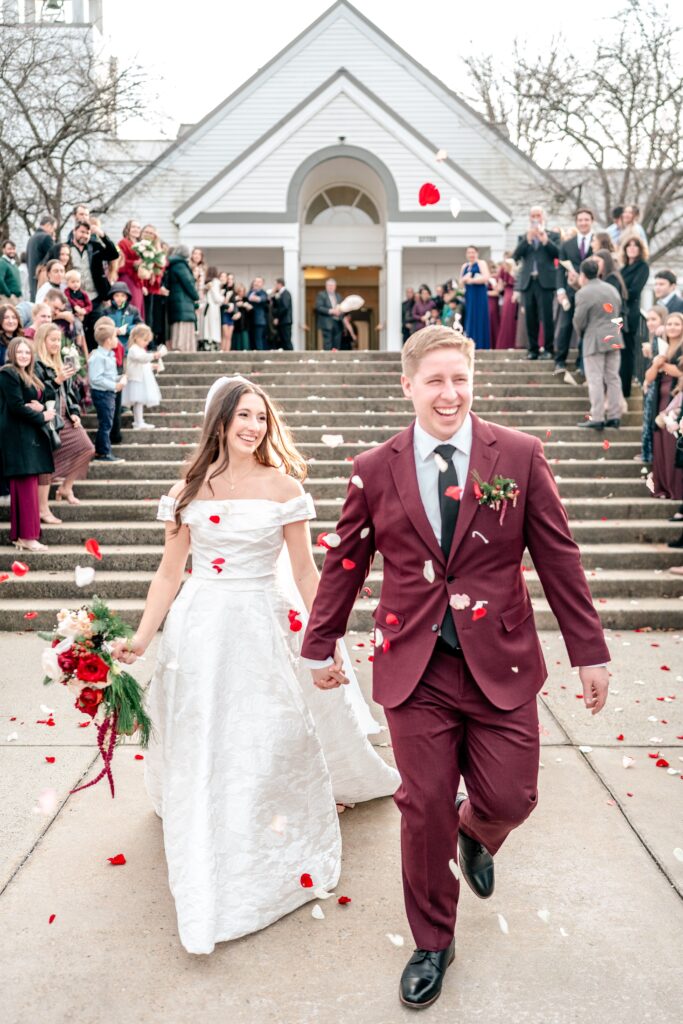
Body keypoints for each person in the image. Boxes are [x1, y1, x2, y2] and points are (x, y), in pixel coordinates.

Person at [301, 324, 610, 1010]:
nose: (449, 393)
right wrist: (319, 643)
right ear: (407, 385)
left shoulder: (519, 457)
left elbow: (557, 557)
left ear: (474, 381)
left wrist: (586, 650)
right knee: (422, 809)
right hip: (415, 667)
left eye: (460, 379)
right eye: (435, 380)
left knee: (511, 797)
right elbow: (345, 562)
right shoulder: (374, 467)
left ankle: (476, 833)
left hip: (500, 659)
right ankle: (432, 941)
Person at [110, 375, 399, 955]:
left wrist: (325, 641)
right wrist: (141, 639)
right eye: (243, 416)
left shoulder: (284, 487)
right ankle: (209, 811)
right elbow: (170, 573)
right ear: (219, 421)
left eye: (261, 418)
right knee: (205, 726)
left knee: (269, 727)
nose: (252, 427)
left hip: (262, 621)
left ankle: (263, 823)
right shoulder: (188, 490)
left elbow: (303, 572)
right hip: (199, 625)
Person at [0, 338, 56, 551]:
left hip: (28, 435)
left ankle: (23, 536)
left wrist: (40, 406)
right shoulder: (8, 373)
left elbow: (47, 393)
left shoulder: (30, 374)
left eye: (27, 352)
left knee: (28, 484)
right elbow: (15, 406)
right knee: (24, 486)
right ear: (12, 353)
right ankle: (27, 536)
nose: (24, 355)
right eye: (20, 352)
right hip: (16, 436)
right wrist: (42, 415)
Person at [33, 323, 94, 514]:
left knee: (87, 448)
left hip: (64, 417)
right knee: (47, 462)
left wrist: (74, 412)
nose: (57, 344)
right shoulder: (36, 364)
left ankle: (66, 487)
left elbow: (70, 394)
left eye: (58, 340)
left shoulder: (60, 362)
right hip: (46, 418)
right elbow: (37, 393)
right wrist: (56, 380)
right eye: (53, 340)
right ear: (43, 341)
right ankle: (42, 508)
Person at [573, 258, 623, 430]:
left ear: (583, 275)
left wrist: (583, 334)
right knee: (613, 378)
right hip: (614, 337)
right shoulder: (611, 289)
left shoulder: (584, 292)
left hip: (594, 339)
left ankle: (598, 416)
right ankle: (615, 415)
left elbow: (578, 320)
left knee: (595, 378)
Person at [512, 206, 560, 360]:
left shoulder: (553, 235)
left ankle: (548, 348)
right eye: (533, 215)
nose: (535, 218)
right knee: (530, 318)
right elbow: (516, 255)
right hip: (528, 282)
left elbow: (558, 254)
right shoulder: (523, 237)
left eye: (538, 215)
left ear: (543, 217)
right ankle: (532, 349)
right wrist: (527, 239)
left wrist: (545, 241)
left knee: (546, 318)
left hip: (545, 282)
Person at [645, 311, 683, 500]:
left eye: (677, 324)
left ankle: (676, 488)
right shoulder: (662, 348)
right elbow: (649, 377)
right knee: (660, 445)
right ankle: (664, 487)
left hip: (676, 401)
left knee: (673, 445)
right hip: (659, 400)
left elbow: (679, 371)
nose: (672, 328)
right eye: (669, 324)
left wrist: (664, 366)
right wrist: (656, 364)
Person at [555, 208, 596, 373]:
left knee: (587, 328)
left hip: (592, 292)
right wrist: (560, 290)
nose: (583, 223)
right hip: (570, 291)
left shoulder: (598, 241)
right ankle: (559, 361)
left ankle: (582, 364)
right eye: (580, 220)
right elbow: (559, 270)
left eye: (586, 220)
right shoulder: (567, 244)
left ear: (591, 221)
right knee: (565, 326)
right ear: (576, 222)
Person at [68, 220, 119, 350]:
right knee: (79, 333)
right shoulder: (66, 248)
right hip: (75, 298)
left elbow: (113, 254)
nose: (85, 235)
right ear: (75, 231)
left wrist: (102, 234)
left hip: (95, 297)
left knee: (98, 329)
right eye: (82, 232)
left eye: (88, 232)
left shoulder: (94, 246)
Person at [88, 317, 127, 463]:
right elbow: (95, 379)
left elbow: (107, 376)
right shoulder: (98, 357)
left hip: (108, 393)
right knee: (105, 423)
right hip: (103, 394)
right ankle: (103, 452)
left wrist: (119, 378)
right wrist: (114, 386)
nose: (117, 340)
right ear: (108, 340)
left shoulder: (108, 355)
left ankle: (103, 451)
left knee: (107, 422)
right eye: (115, 337)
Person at [618, 235, 650, 398]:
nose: (631, 248)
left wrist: (616, 294)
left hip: (629, 314)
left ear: (640, 249)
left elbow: (634, 291)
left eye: (635, 245)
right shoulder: (622, 268)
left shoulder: (642, 267)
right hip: (618, 313)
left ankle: (625, 390)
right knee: (618, 352)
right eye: (628, 245)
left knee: (627, 352)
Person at [639, 305, 669, 464]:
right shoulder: (655, 338)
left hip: (659, 384)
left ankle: (649, 454)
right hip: (654, 382)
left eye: (653, 319)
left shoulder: (662, 336)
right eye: (648, 319)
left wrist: (647, 379)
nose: (649, 323)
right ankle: (647, 453)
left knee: (651, 417)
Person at [122, 324, 162, 429]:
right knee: (138, 401)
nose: (146, 343)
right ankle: (138, 422)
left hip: (140, 378)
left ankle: (139, 421)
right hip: (136, 379)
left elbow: (143, 362)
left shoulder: (139, 349)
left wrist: (152, 366)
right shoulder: (133, 349)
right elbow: (140, 358)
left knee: (139, 402)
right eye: (145, 340)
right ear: (136, 338)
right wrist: (153, 356)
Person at [165, 246, 199, 352]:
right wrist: (196, 296)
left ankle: (178, 346)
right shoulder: (180, 265)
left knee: (178, 325)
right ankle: (183, 347)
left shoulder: (173, 264)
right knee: (183, 325)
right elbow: (188, 283)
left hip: (177, 300)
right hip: (183, 301)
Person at [139, 224, 168, 347]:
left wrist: (154, 273)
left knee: (152, 318)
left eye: (152, 233)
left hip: (153, 287)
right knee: (144, 315)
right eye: (146, 232)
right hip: (142, 284)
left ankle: (150, 341)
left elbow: (162, 264)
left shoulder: (156, 248)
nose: (149, 235)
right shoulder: (139, 247)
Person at [460, 245, 490, 349]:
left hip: (479, 294)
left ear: (477, 253)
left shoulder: (481, 263)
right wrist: (464, 279)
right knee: (470, 317)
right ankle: (470, 343)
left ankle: (482, 344)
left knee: (480, 317)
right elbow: (460, 282)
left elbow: (486, 277)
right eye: (469, 252)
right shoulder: (465, 266)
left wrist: (472, 280)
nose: (471, 255)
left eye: (473, 252)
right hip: (470, 295)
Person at [116, 220, 147, 319]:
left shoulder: (142, 245)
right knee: (131, 305)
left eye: (138, 227)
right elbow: (120, 262)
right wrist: (134, 263)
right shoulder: (122, 243)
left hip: (138, 280)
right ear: (127, 229)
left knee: (138, 306)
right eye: (133, 227)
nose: (136, 229)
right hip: (127, 278)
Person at [26, 215, 57, 300]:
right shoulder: (46, 238)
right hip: (44, 281)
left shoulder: (31, 239)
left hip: (33, 281)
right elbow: (54, 259)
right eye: (53, 228)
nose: (53, 231)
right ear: (48, 225)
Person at [108, 282, 142, 349]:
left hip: (129, 347)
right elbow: (101, 328)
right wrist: (112, 330)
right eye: (117, 295)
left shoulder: (133, 311)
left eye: (123, 296)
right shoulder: (106, 312)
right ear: (112, 297)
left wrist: (127, 330)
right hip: (112, 348)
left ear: (127, 297)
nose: (120, 298)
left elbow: (140, 326)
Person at [315, 278, 343, 350]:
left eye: (332, 285)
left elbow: (343, 307)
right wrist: (331, 311)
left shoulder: (338, 296)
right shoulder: (321, 295)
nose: (331, 287)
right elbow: (319, 307)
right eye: (329, 285)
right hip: (327, 323)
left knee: (337, 343)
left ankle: (336, 359)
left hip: (338, 322)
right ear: (326, 286)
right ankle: (328, 360)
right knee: (328, 343)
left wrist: (340, 311)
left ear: (335, 286)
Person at [495, 260, 518, 349]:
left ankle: (505, 343)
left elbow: (499, 287)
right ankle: (514, 343)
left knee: (507, 319)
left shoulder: (503, 271)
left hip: (508, 295)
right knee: (512, 319)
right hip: (515, 294)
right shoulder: (515, 270)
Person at [189, 247, 207, 343]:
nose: (196, 256)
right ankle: (191, 340)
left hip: (200, 296)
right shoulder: (189, 267)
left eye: (199, 254)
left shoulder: (202, 269)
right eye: (195, 253)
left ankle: (196, 342)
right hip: (191, 295)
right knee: (192, 318)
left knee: (199, 319)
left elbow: (201, 285)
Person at [203, 267, 223, 351]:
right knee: (214, 327)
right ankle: (213, 345)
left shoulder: (206, 283)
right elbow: (217, 298)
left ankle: (208, 344)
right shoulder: (216, 282)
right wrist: (222, 298)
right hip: (214, 307)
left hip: (206, 307)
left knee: (208, 327)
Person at [247, 277, 269, 351]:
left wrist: (254, 298)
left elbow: (260, 299)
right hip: (250, 319)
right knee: (252, 339)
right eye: (255, 281)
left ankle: (260, 356)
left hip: (259, 320)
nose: (256, 283)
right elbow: (248, 297)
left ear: (262, 284)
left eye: (259, 282)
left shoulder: (263, 293)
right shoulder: (250, 292)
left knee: (259, 339)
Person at [271, 277, 293, 350]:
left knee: (286, 341)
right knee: (283, 341)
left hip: (285, 321)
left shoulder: (285, 293)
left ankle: (292, 358)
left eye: (275, 284)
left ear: (279, 284)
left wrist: (277, 317)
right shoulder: (280, 293)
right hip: (282, 321)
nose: (275, 286)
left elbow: (284, 307)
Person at [231, 284, 251, 351]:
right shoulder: (234, 299)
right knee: (237, 338)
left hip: (244, 321)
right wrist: (236, 304)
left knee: (244, 338)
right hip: (236, 322)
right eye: (239, 291)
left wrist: (245, 305)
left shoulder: (246, 299)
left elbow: (250, 309)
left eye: (242, 291)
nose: (241, 293)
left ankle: (245, 349)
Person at [219, 272, 236, 352]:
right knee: (225, 335)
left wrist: (234, 309)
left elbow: (235, 304)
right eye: (229, 279)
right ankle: (222, 351)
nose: (230, 281)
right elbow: (221, 303)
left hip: (231, 315)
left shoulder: (233, 291)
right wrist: (227, 298)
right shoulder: (223, 290)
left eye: (232, 279)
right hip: (224, 314)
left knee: (229, 336)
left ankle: (227, 352)